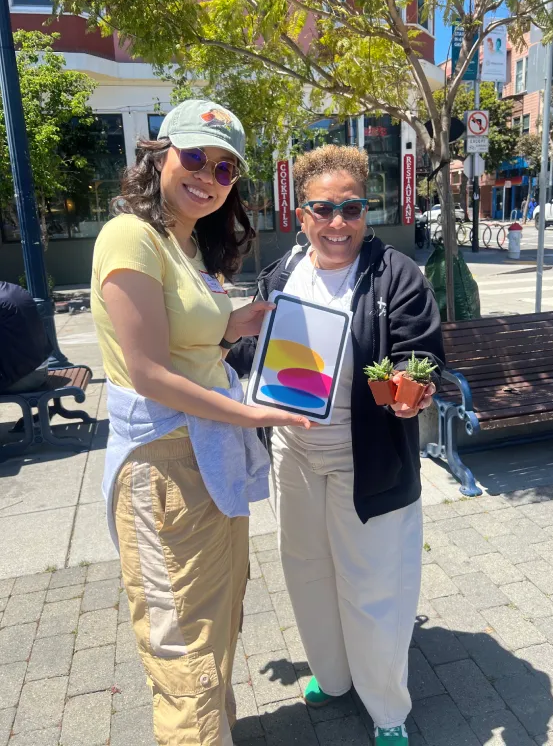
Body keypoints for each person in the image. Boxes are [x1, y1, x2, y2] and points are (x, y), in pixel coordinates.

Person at [90, 99, 311, 746]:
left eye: (223, 168)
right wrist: (252, 412)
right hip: (164, 466)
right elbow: (149, 372)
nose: (207, 176)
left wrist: (234, 326)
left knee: (215, 623)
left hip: (209, 457)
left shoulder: (184, 245)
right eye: (194, 156)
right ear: (160, 154)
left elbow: (187, 344)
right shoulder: (129, 235)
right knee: (184, 650)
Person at [228, 144, 445, 746]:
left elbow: (419, 353)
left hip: (367, 458)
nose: (338, 223)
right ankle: (333, 673)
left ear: (366, 212)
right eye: (323, 209)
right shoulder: (282, 274)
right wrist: (213, 340)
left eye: (351, 208)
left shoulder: (396, 274)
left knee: (375, 585)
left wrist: (412, 391)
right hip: (293, 452)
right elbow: (250, 349)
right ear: (302, 215)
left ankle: (387, 709)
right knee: (307, 570)